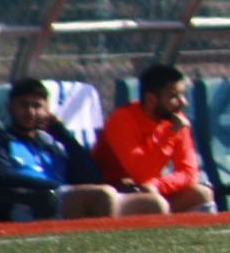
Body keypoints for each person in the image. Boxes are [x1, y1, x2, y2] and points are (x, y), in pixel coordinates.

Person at [0, 78, 163, 221]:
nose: (30, 112)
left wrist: (61, 132)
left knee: (153, 202)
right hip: (29, 202)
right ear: (10, 107)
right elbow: (2, 176)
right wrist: (57, 187)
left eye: (37, 106)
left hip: (66, 196)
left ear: (47, 111)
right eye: (23, 105)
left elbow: (89, 175)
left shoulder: (50, 143)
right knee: (103, 195)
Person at [92, 64, 216, 214]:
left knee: (201, 193)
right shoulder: (122, 119)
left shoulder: (175, 121)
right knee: (154, 202)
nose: (183, 102)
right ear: (151, 99)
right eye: (173, 96)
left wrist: (157, 186)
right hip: (113, 195)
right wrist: (170, 134)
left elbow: (188, 172)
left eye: (182, 95)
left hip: (147, 191)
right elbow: (141, 173)